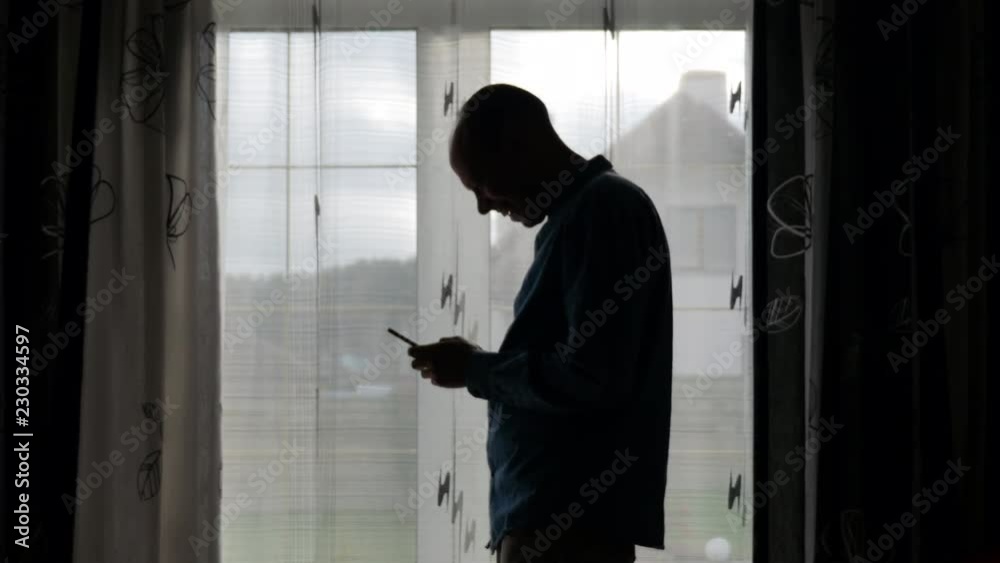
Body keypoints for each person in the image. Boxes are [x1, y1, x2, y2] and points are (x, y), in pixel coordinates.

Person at [408, 84, 673, 563]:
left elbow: (593, 376)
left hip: (566, 526)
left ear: (519, 148)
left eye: (482, 184)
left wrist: (477, 370)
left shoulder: (600, 213)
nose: (484, 207)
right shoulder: (584, 215)